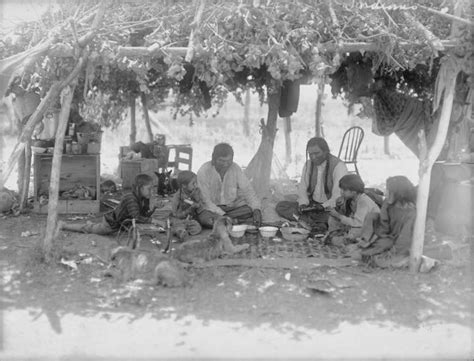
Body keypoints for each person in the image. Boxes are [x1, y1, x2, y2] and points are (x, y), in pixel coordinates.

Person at [276, 137, 348, 231]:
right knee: (281, 206)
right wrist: (303, 204)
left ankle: (311, 222)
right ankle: (312, 222)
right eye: (310, 154)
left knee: (336, 216)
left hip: (330, 208)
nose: (313, 157)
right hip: (312, 207)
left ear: (326, 151)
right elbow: (302, 189)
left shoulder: (338, 166)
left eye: (317, 153)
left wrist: (322, 206)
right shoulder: (308, 164)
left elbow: (338, 196)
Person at [348, 176, 417, 268]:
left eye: (388, 190)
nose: (385, 192)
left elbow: (405, 238)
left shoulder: (411, 212)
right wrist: (379, 239)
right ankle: (364, 245)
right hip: (386, 236)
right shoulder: (388, 203)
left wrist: (393, 250)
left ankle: (389, 257)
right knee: (372, 216)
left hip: (399, 244)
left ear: (398, 193)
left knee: (379, 259)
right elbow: (383, 226)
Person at [60, 174, 161, 235]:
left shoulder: (142, 199)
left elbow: (143, 217)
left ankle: (91, 224)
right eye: (149, 188)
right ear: (139, 188)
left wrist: (154, 208)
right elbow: (137, 217)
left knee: (93, 226)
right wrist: (156, 220)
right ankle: (64, 225)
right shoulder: (130, 198)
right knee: (88, 229)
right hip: (110, 225)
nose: (151, 191)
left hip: (120, 225)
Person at [196, 143, 262, 228]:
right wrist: (222, 214)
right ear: (214, 159)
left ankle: (226, 221)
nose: (226, 164)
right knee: (205, 218)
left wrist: (256, 209)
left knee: (249, 210)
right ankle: (231, 221)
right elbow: (205, 200)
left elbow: (248, 190)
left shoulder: (235, 168)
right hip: (212, 209)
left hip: (231, 208)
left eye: (229, 161)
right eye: (222, 161)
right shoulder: (204, 171)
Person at [326, 174, 380, 245]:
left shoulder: (364, 201)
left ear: (354, 191)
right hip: (357, 225)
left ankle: (344, 240)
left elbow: (358, 223)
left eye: (344, 190)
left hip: (371, 228)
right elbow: (348, 216)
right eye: (341, 189)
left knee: (354, 232)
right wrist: (337, 209)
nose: (341, 192)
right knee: (333, 218)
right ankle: (338, 236)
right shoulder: (351, 198)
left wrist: (338, 215)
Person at [169, 170, 203, 241]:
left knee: (197, 227)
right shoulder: (177, 196)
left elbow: (199, 204)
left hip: (189, 220)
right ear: (184, 185)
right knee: (178, 225)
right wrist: (189, 210)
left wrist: (197, 202)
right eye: (193, 184)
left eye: (196, 183)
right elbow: (174, 214)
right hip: (178, 219)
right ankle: (180, 232)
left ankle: (184, 231)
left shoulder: (194, 192)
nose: (195, 186)